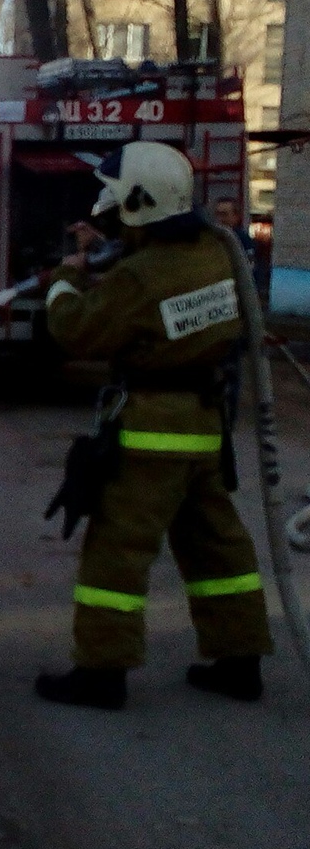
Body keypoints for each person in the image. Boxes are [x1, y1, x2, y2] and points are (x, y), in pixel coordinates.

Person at [36, 141, 274, 711]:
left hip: (149, 432)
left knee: (117, 553)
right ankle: (239, 662)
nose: (113, 214)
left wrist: (64, 282)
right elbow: (164, 288)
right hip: (204, 426)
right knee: (218, 547)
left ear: (141, 201)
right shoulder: (215, 254)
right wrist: (109, 254)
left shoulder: (140, 278)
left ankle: (101, 675)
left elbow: (78, 332)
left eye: (119, 205)